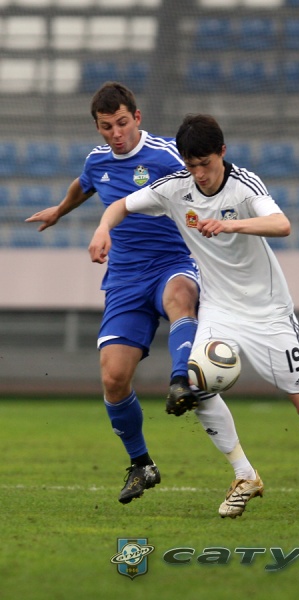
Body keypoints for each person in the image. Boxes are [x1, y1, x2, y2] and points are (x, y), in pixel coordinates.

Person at [88, 113, 299, 521]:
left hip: (267, 311)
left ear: (222, 153)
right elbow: (122, 204)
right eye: (191, 165)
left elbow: (281, 224)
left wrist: (231, 225)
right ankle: (245, 475)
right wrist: (103, 228)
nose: (199, 174)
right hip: (220, 308)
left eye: (205, 163)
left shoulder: (245, 185)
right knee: (196, 385)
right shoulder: (175, 188)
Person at [25, 82, 203, 505]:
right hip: (124, 278)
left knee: (180, 298)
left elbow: (207, 178)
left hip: (173, 261)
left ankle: (181, 381)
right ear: (98, 127)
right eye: (107, 127)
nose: (116, 133)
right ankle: (142, 464)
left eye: (122, 123)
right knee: (113, 378)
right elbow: (83, 184)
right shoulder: (98, 160)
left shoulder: (167, 155)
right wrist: (60, 209)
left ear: (136, 118)